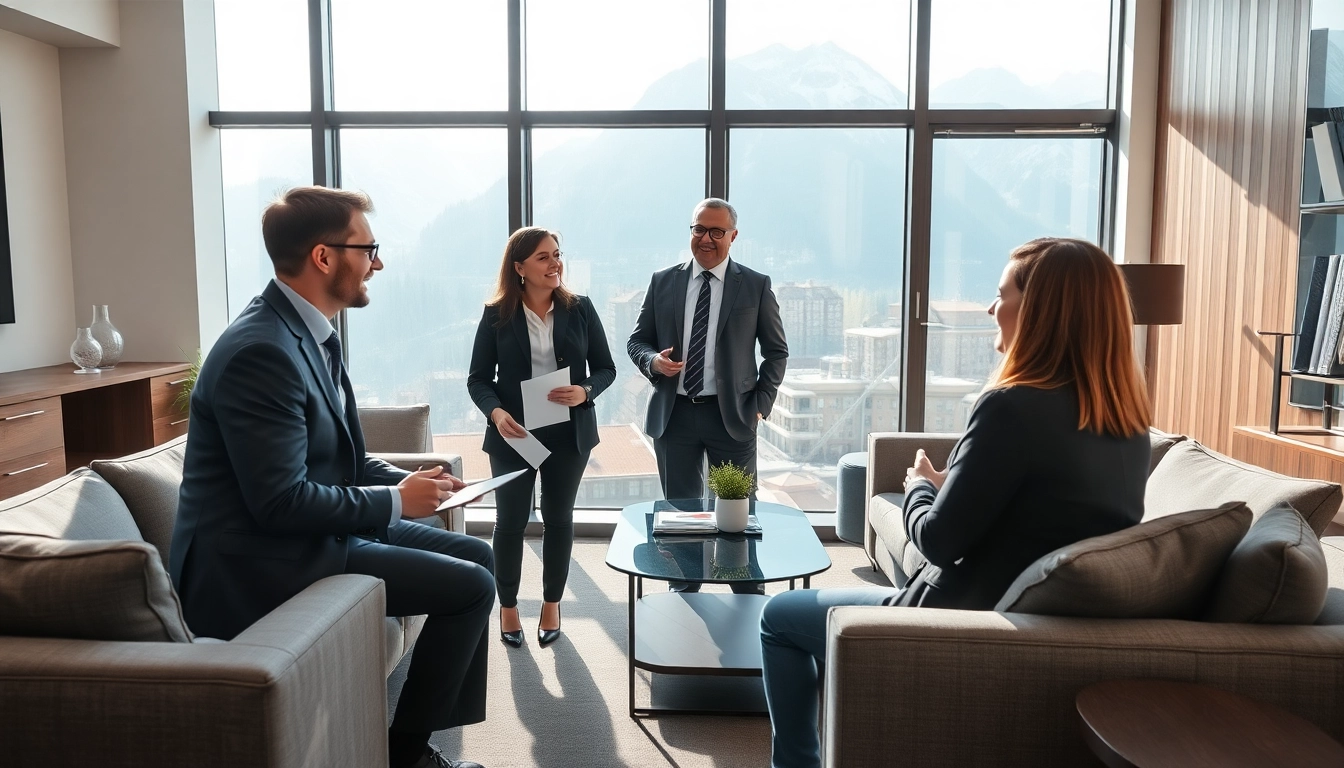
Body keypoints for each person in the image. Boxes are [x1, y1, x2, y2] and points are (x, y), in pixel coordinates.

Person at [758, 237, 1153, 768]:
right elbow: (1046, 510)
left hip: (954, 619)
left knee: (779, 616)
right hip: (1025, 618)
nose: (992, 309)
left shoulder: (1010, 407)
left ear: (1038, 310)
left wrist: (921, 484)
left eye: (1001, 294)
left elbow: (940, 543)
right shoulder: (1127, 426)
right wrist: (958, 485)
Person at [171, 186, 494, 768]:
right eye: (368, 247)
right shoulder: (260, 352)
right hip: (262, 559)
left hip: (307, 535)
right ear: (324, 257)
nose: (379, 262)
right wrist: (395, 501)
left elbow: (345, 462)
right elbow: (279, 504)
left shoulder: (312, 333)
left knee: (480, 559)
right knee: (472, 588)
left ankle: (420, 737)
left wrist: (412, 483)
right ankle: (406, 758)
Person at [626, 198, 788, 594]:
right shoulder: (663, 281)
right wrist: (653, 363)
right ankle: (685, 590)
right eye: (699, 229)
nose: (707, 239)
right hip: (674, 414)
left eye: (717, 231)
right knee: (681, 516)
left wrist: (760, 407)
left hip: (731, 416)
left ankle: (745, 592)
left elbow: (776, 352)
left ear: (733, 236)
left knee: (737, 515)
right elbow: (637, 341)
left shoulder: (754, 284)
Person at [468, 227, 616, 648]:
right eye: (543, 257)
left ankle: (552, 604)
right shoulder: (496, 315)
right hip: (514, 433)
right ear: (519, 268)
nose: (555, 264)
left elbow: (606, 367)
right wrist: (496, 414)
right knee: (510, 522)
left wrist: (585, 391)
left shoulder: (581, 309)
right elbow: (478, 379)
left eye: (557, 254)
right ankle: (509, 607)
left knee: (558, 518)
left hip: (568, 432)